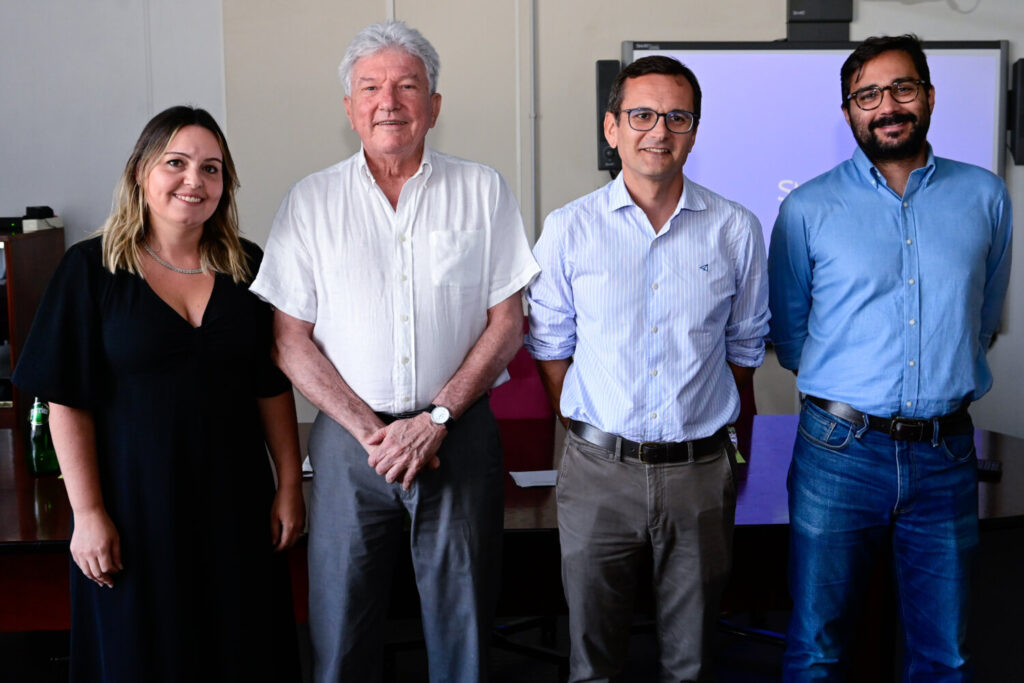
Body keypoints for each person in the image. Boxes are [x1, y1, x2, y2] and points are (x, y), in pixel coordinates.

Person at [250, 20, 539, 683]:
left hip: (457, 437)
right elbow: (288, 338)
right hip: (352, 448)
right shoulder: (310, 202)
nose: (390, 101)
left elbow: (507, 323)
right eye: (371, 87)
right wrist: (370, 430)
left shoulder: (482, 190)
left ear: (434, 104)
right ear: (350, 107)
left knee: (463, 634)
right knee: (341, 631)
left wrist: (434, 419)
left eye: (408, 85)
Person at [12, 105, 305, 683]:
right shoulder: (89, 269)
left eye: (212, 168)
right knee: (141, 658)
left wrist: (290, 486)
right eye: (176, 162)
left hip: (235, 507)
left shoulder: (250, 269)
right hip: (133, 510)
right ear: (141, 173)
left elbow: (270, 387)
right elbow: (66, 400)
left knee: (242, 653)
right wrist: (88, 514)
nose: (194, 181)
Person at [768, 34, 1012, 681]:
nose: (887, 106)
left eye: (902, 88)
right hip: (837, 452)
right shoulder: (805, 208)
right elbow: (792, 336)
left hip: (946, 454)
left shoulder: (987, 197)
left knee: (944, 655)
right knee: (817, 648)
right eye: (867, 95)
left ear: (929, 97)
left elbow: (981, 318)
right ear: (849, 111)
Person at [525, 56, 770, 682]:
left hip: (699, 473)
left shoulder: (736, 228)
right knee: (593, 663)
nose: (658, 131)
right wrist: (589, 419)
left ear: (693, 130)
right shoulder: (568, 229)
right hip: (597, 472)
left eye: (677, 117)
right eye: (641, 115)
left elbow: (744, 351)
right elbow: (551, 344)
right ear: (613, 128)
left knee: (691, 662)